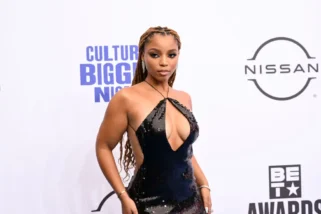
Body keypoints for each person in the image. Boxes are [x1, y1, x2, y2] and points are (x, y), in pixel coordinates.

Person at [95, 26, 212, 214]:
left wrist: (204, 184)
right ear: (142, 55)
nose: (164, 62)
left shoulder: (184, 98)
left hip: (191, 202)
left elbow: (185, 152)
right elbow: (103, 146)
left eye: (171, 55)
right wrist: (123, 196)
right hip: (147, 203)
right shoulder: (126, 98)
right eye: (155, 55)